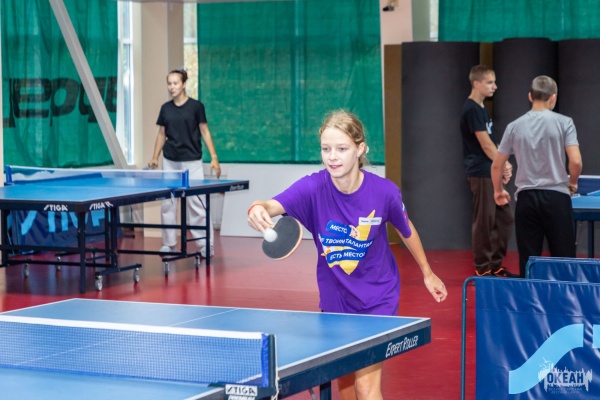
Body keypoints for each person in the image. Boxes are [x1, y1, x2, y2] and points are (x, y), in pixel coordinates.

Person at [247, 110, 447, 400]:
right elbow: (270, 204)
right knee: (346, 383)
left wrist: (427, 272)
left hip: (377, 296)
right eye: (326, 149)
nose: (332, 157)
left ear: (360, 149)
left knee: (366, 385)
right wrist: (257, 208)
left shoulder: (384, 192)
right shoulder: (313, 188)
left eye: (342, 149)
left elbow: (406, 230)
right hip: (336, 298)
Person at [492, 75, 582, 278]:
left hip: (526, 199)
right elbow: (576, 161)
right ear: (553, 97)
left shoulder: (514, 126)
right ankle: (565, 297)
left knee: (529, 261)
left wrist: (498, 190)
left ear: (530, 96)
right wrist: (573, 183)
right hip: (557, 197)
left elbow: (497, 165)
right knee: (565, 260)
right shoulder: (564, 122)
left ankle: (530, 296)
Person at [148, 68, 221, 257]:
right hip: (170, 161)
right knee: (168, 203)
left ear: (184, 84)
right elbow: (161, 134)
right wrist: (155, 156)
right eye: (169, 83)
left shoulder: (196, 107)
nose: (172, 87)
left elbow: (204, 131)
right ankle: (169, 244)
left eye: (175, 83)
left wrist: (214, 157)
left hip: (192, 162)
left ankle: (206, 245)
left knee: (197, 203)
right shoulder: (165, 108)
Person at [460, 65, 517, 277]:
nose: (495, 86)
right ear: (477, 84)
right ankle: (483, 268)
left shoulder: (481, 109)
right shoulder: (472, 110)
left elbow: (492, 143)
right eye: (490, 82)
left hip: (490, 171)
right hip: (481, 172)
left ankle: (495, 264)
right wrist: (503, 164)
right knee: (484, 220)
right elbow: (485, 145)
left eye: (494, 82)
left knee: (504, 217)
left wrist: (503, 164)